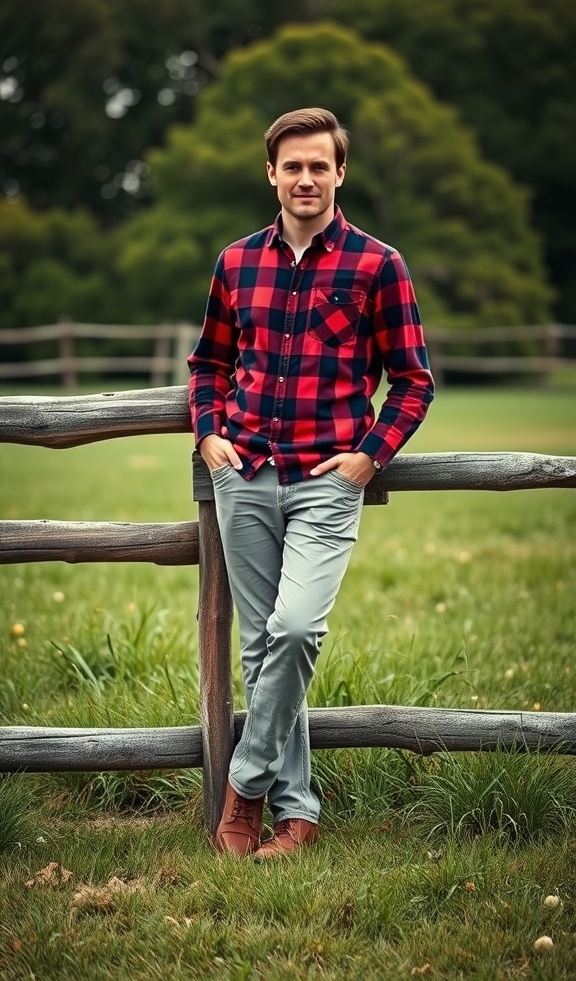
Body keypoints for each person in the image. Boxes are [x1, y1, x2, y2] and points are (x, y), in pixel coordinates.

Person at [188, 107, 434, 859]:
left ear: (339, 173)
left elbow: (414, 382)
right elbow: (209, 366)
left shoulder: (376, 264)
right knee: (263, 649)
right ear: (271, 173)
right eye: (291, 166)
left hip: (329, 479)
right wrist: (208, 435)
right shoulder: (236, 263)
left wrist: (369, 457)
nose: (305, 178)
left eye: (318, 166)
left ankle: (246, 789)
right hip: (247, 473)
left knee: (294, 630)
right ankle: (297, 816)